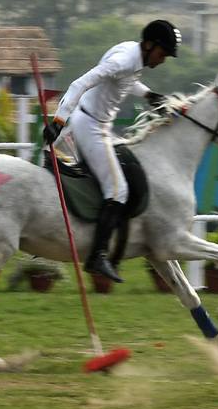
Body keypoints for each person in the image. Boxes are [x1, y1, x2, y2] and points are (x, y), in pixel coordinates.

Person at [46, 19, 180, 282]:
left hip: (98, 124)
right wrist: (58, 121)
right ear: (150, 45)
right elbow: (78, 84)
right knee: (118, 190)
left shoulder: (133, 55)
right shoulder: (124, 60)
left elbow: (126, 81)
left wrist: (148, 95)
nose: (163, 60)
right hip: (90, 127)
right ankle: (98, 256)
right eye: (162, 54)